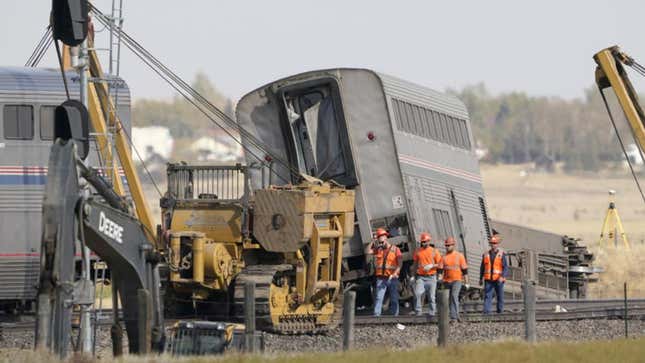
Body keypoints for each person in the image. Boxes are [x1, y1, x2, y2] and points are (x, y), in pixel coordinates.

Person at [366, 228, 402, 316]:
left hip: (392, 278)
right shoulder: (378, 249)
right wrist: (372, 241)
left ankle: (395, 316)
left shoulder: (395, 249)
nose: (381, 244)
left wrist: (394, 274)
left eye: (382, 241)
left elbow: (400, 264)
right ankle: (376, 315)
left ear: (386, 238)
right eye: (379, 241)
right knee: (379, 297)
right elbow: (367, 251)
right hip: (381, 278)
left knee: (394, 298)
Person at [411, 232, 442, 316]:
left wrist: (432, 266)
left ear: (429, 241)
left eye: (425, 241)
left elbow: (440, 264)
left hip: (432, 277)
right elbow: (415, 264)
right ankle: (418, 312)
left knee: (431, 297)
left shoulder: (434, 251)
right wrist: (413, 276)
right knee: (418, 293)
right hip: (421, 277)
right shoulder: (418, 251)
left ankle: (432, 313)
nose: (424, 243)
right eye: (423, 242)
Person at [479, 234, 508, 314]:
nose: (493, 245)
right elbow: (482, 267)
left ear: (497, 244)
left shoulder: (501, 254)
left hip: (499, 279)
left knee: (500, 296)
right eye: (492, 243)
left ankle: (500, 311)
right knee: (488, 296)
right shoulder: (485, 254)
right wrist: (480, 278)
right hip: (488, 279)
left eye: (495, 243)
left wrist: (502, 276)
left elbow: (505, 267)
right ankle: (487, 312)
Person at [442, 237, 468, 322]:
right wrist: (439, 279)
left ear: (453, 245)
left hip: (457, 280)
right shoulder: (444, 257)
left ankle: (454, 317)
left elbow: (464, 270)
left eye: (449, 245)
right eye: (446, 245)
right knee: (449, 299)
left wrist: (467, 282)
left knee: (454, 296)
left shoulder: (459, 256)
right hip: (446, 281)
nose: (447, 247)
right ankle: (453, 315)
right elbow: (439, 269)